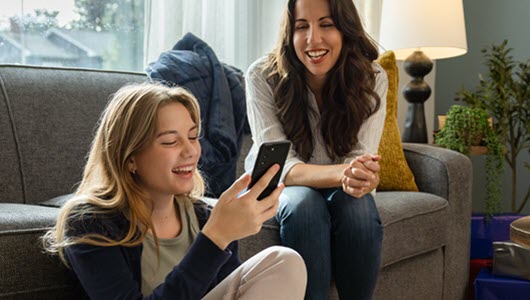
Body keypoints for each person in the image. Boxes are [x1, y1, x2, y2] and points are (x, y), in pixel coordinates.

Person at [43, 82, 307, 300]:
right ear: (130, 157)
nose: (191, 151)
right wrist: (214, 239)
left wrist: (221, 233)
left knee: (284, 262)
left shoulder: (204, 217)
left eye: (193, 137)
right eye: (170, 141)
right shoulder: (90, 223)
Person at [244, 0, 388, 299]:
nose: (313, 39)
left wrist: (362, 176)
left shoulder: (372, 78)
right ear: (290, 33)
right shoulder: (261, 76)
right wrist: (347, 172)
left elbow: (359, 158)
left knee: (358, 208)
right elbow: (279, 166)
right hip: (283, 184)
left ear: (345, 28)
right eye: (301, 26)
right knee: (304, 207)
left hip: (341, 185)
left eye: (326, 24)